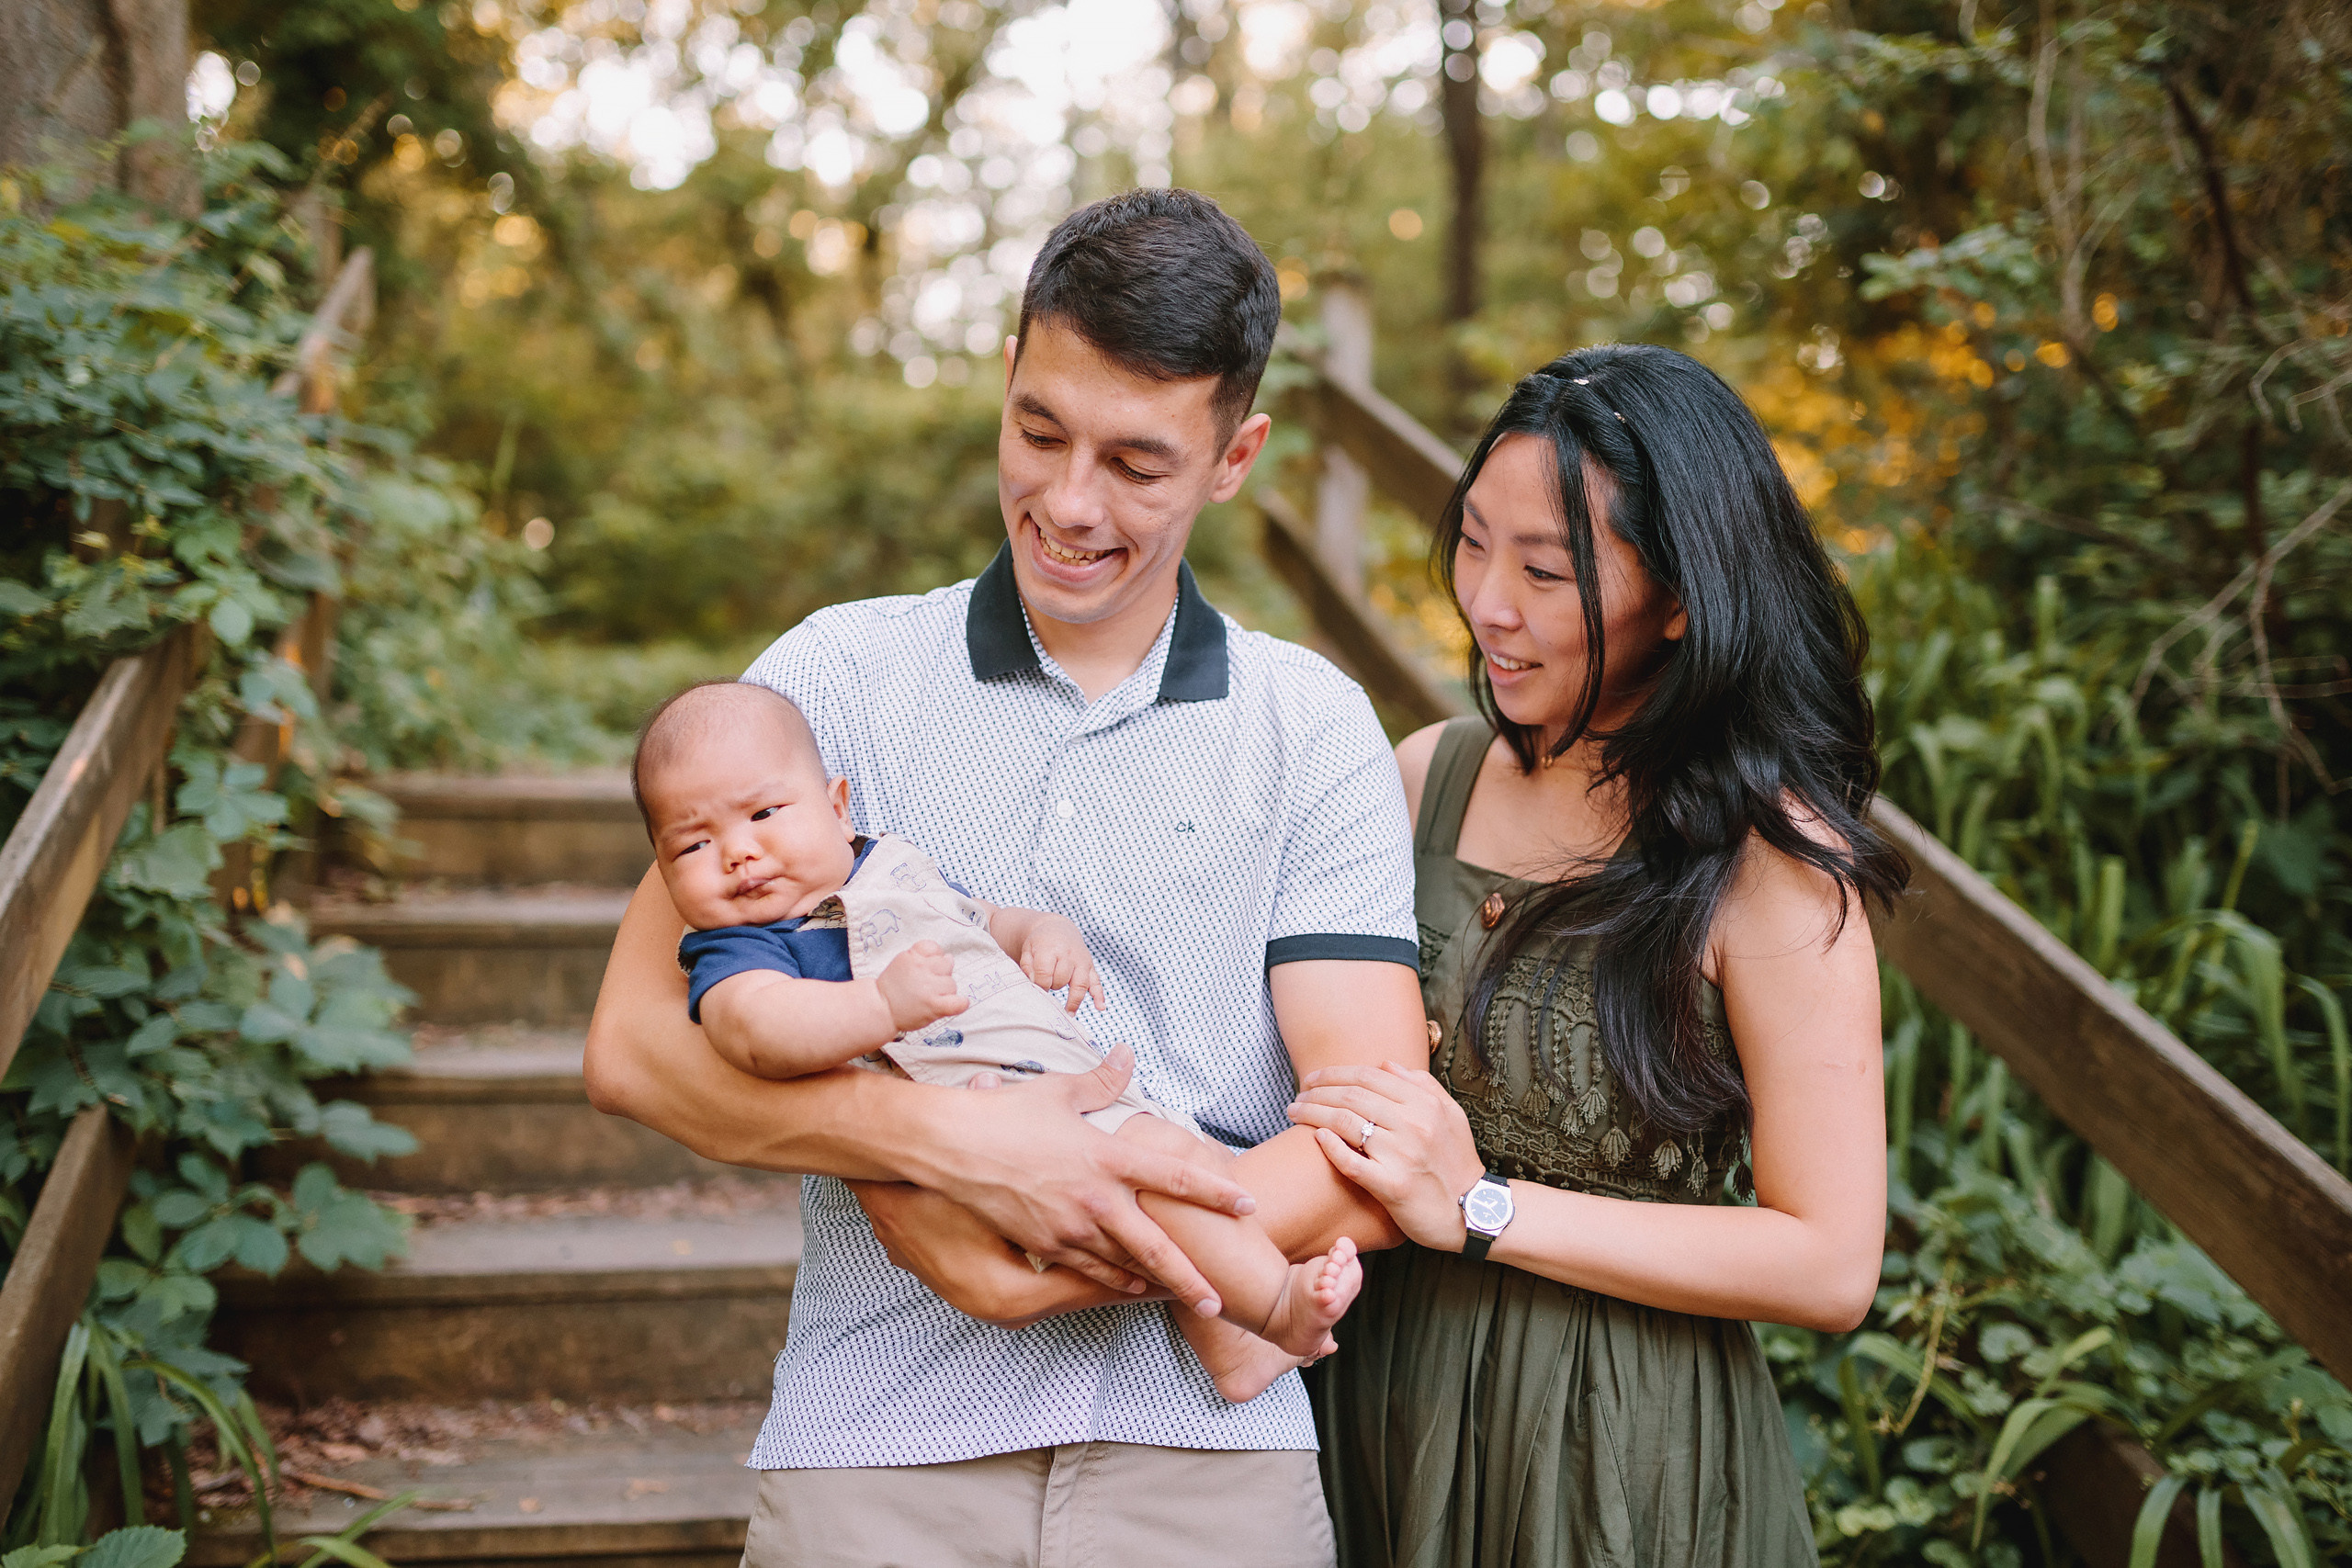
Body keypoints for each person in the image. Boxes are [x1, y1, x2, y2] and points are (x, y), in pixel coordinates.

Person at [582, 186, 1422, 1568]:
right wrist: (950, 1149)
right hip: (876, 1441)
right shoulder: (827, 684)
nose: (1069, 504)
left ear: (1235, 456)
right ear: (1007, 383)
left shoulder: (1313, 725)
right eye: (1039, 433)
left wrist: (1068, 1222)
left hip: (1208, 1455)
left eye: (1137, 464)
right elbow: (634, 1048)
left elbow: (1376, 1139)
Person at [1286, 344, 1906, 1567]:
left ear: (1678, 598)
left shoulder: (1769, 863)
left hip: (1612, 1446)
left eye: (1545, 570)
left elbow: (1830, 1260)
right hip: (1375, 1397)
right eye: (1473, 543)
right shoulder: (1422, 777)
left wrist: (1480, 1208)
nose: (1487, 602)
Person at [627, 678, 1365, 1402]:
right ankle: (1275, 1305)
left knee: (1191, 1159)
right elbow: (755, 1030)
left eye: (764, 813)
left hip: (1051, 1078)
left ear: (838, 805)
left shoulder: (890, 864)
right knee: (1162, 1172)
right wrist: (880, 1004)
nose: (738, 852)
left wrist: (1040, 930)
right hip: (984, 1123)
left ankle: (1234, 1346)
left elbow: (977, 919)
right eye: (694, 845)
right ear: (662, 865)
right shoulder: (745, 945)